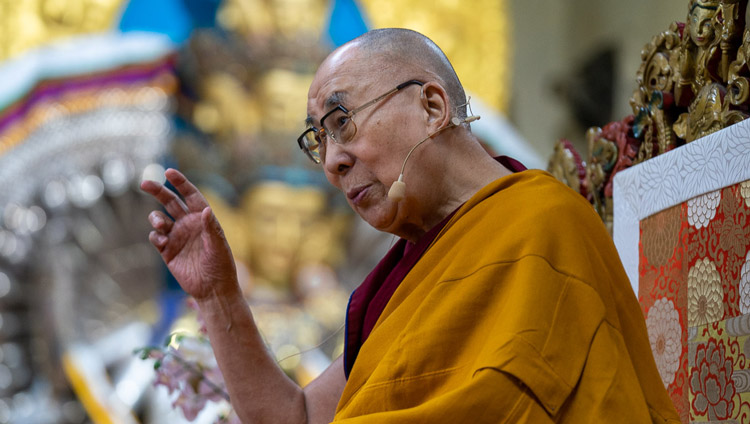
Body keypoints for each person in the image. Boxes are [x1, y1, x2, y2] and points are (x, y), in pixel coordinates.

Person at [141, 28, 680, 423]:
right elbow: (297, 417)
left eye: (341, 123)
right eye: (318, 141)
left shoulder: (542, 224)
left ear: (431, 106)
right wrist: (217, 294)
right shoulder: (400, 280)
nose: (332, 161)